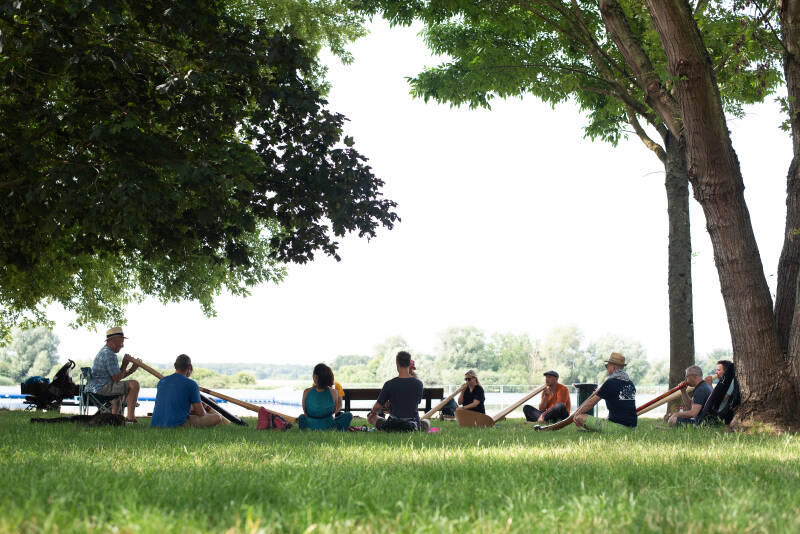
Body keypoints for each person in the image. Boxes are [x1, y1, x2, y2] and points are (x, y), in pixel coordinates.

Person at [151, 354, 222, 428]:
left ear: (175, 366)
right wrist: (207, 409)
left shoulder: (162, 381)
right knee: (217, 417)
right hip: (177, 424)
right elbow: (201, 413)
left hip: (155, 423)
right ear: (189, 367)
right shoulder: (191, 384)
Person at [86, 327, 140, 423]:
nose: (122, 345)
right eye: (121, 342)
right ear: (113, 341)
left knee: (122, 388)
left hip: (95, 388)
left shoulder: (105, 351)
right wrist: (124, 364)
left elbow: (117, 376)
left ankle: (115, 418)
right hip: (101, 389)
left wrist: (131, 370)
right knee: (134, 384)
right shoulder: (109, 355)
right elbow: (117, 379)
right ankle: (130, 418)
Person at [574, 352, 637, 432]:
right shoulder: (630, 383)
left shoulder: (611, 382)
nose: (607, 369)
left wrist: (576, 414)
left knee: (580, 417)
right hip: (633, 428)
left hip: (618, 427)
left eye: (607, 366)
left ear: (613, 367)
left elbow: (591, 403)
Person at [368, 351, 428, 431]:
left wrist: (373, 412)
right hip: (412, 426)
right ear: (409, 363)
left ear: (397, 363)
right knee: (427, 421)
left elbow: (377, 407)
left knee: (371, 417)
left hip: (392, 426)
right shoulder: (419, 384)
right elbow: (416, 403)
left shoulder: (389, 384)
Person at [298, 364, 353, 430]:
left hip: (310, 424)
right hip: (329, 424)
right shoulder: (334, 392)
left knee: (301, 417)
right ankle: (332, 427)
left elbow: (305, 411)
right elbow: (334, 411)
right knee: (348, 415)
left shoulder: (306, 391)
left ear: (315, 377)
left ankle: (311, 427)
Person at [696, 360, 740, 425]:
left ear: (726, 372)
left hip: (720, 415)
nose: (716, 372)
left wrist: (709, 385)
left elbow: (722, 398)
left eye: (718, 370)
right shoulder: (722, 383)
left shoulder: (731, 381)